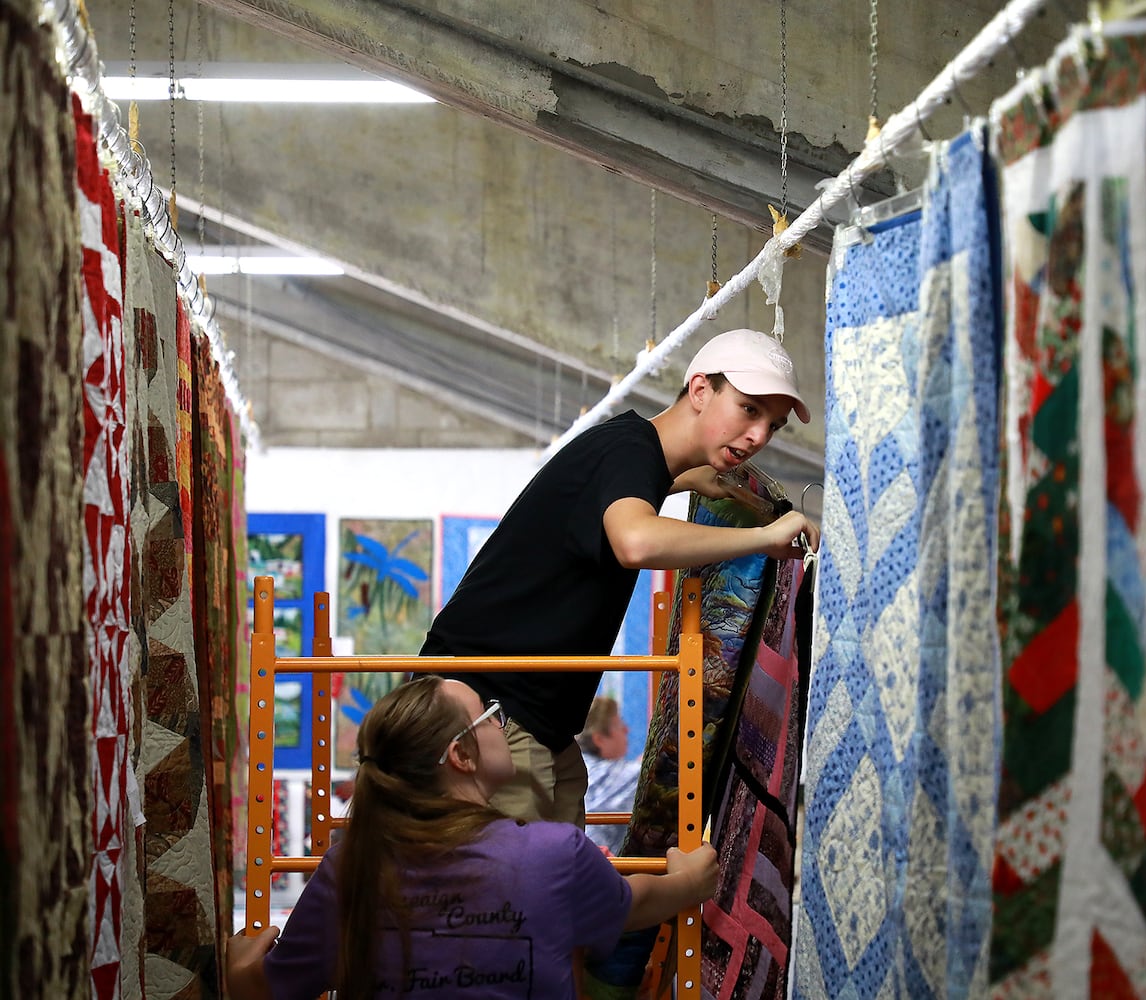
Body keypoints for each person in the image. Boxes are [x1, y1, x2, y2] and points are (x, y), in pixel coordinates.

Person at [420, 328, 821, 827]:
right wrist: (764, 539)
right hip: (490, 710)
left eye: (774, 425)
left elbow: (614, 501)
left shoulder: (633, 457)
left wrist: (681, 478)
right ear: (700, 390)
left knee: (562, 889)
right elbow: (635, 542)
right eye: (748, 409)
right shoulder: (629, 451)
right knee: (518, 896)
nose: (759, 435)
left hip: (537, 719)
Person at [224, 674, 718, 1000]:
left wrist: (241, 959)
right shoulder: (553, 854)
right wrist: (692, 880)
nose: (502, 724)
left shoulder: (348, 868)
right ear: (461, 755)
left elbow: (262, 990)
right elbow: (634, 902)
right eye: (489, 715)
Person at [578, 696, 641, 855]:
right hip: (601, 870)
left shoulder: (577, 767)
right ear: (599, 739)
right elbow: (649, 770)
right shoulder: (605, 777)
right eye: (619, 725)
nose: (626, 730)